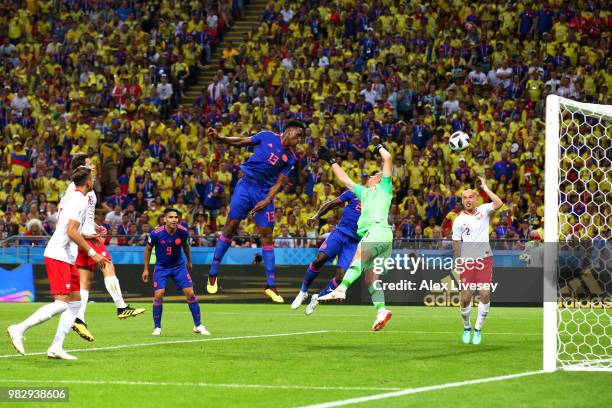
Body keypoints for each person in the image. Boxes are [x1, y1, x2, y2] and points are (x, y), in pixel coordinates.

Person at [7, 167, 108, 359]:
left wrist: (87, 234)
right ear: (88, 182)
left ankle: (56, 347)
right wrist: (93, 253)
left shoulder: (71, 196)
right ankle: (19, 328)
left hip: (67, 256)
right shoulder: (79, 199)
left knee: (76, 302)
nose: (93, 179)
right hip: (58, 254)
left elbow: (68, 228)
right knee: (62, 304)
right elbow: (70, 231)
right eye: (92, 177)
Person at [205, 121, 305, 303]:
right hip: (246, 185)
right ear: (289, 130)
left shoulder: (290, 158)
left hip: (264, 194)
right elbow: (241, 141)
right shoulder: (267, 136)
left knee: (267, 236)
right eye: (298, 135)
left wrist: (267, 200)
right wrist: (220, 138)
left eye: (301, 138)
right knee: (230, 227)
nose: (299, 140)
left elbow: (280, 181)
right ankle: (213, 272)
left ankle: (270, 285)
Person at [317, 137, 395, 331]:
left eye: (377, 174)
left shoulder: (384, 188)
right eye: (373, 174)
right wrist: (331, 160)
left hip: (377, 230)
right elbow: (344, 179)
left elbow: (388, 159)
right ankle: (381, 310)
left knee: (357, 258)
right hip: (384, 237)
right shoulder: (364, 193)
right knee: (371, 278)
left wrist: (379, 146)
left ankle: (341, 288)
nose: (374, 175)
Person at [68, 154, 145, 342]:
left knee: (86, 281)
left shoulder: (88, 188)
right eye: (90, 163)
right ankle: (121, 306)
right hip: (86, 239)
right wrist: (85, 233)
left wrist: (95, 225)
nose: (94, 165)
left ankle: (79, 317)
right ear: (81, 168)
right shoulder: (76, 189)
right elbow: (70, 217)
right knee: (107, 266)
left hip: (85, 235)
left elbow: (83, 215)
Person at [291, 189, 361, 315]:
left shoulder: (376, 205)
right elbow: (331, 203)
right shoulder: (354, 192)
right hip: (339, 234)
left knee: (340, 277)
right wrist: (316, 216)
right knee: (319, 259)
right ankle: (303, 292)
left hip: (353, 242)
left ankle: (317, 298)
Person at [142, 208, 209, 336]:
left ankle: (198, 325)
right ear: (165, 219)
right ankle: (157, 327)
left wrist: (189, 261)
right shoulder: (156, 233)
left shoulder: (183, 232)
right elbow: (148, 250)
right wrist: (146, 269)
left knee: (190, 292)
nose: (174, 219)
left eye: (176, 217)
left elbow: (186, 246)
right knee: (159, 294)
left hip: (178, 266)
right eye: (171, 217)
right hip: (161, 267)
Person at [452, 177, 503, 345]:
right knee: (466, 297)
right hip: (467, 260)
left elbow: (499, 203)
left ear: (476, 198)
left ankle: (478, 329)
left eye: (471, 197)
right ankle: (467, 328)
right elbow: (456, 242)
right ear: (462, 200)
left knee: (485, 293)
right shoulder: (459, 220)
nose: (468, 200)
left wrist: (485, 188)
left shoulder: (484, 209)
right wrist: (458, 261)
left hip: (485, 258)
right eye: (465, 197)